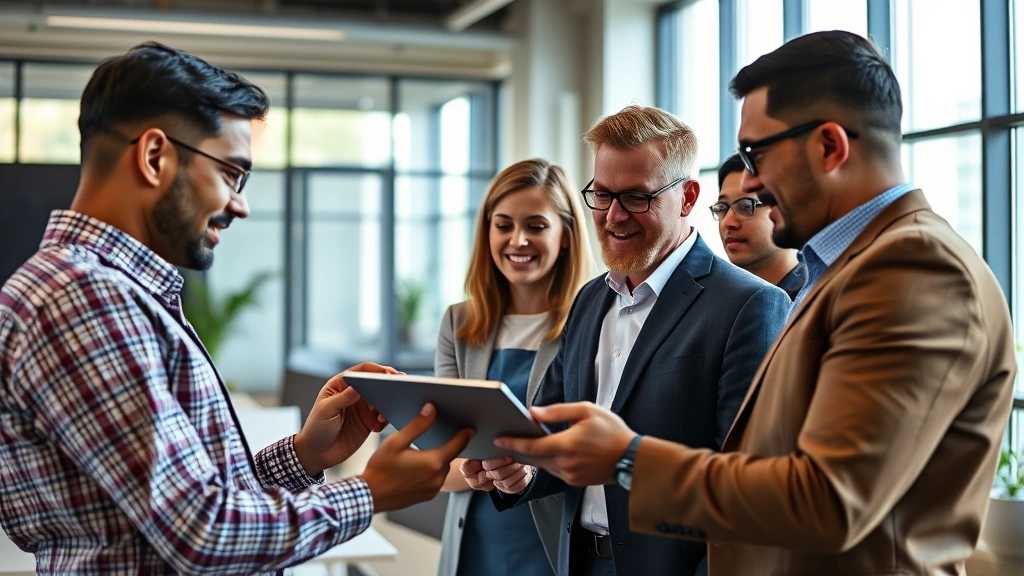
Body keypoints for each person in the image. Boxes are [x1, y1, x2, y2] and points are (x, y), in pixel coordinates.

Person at [493, 31, 1017, 576]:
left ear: (830, 146)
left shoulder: (914, 269)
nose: (752, 184)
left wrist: (628, 458)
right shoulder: (845, 269)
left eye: (756, 153)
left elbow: (830, 501)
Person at [0, 42, 472, 575]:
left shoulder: (113, 292)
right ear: (155, 156)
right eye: (232, 174)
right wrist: (369, 493)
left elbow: (182, 502)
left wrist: (303, 456)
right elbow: (201, 532)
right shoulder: (82, 298)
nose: (241, 205)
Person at [462, 105, 791, 576]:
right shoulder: (590, 300)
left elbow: (749, 482)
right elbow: (557, 432)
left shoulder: (749, 306)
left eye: (637, 197)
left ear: (688, 196)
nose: (613, 216)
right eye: (601, 194)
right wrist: (523, 472)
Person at [435, 158, 595, 576]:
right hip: (474, 543)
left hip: (551, 545)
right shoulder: (459, 323)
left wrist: (527, 470)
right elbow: (440, 459)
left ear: (565, 236)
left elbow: (595, 452)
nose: (518, 240)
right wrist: (473, 472)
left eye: (536, 226)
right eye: (503, 225)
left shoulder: (592, 324)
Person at [712, 153, 805, 299]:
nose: (727, 223)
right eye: (722, 208)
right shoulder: (719, 299)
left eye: (745, 206)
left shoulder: (815, 297)